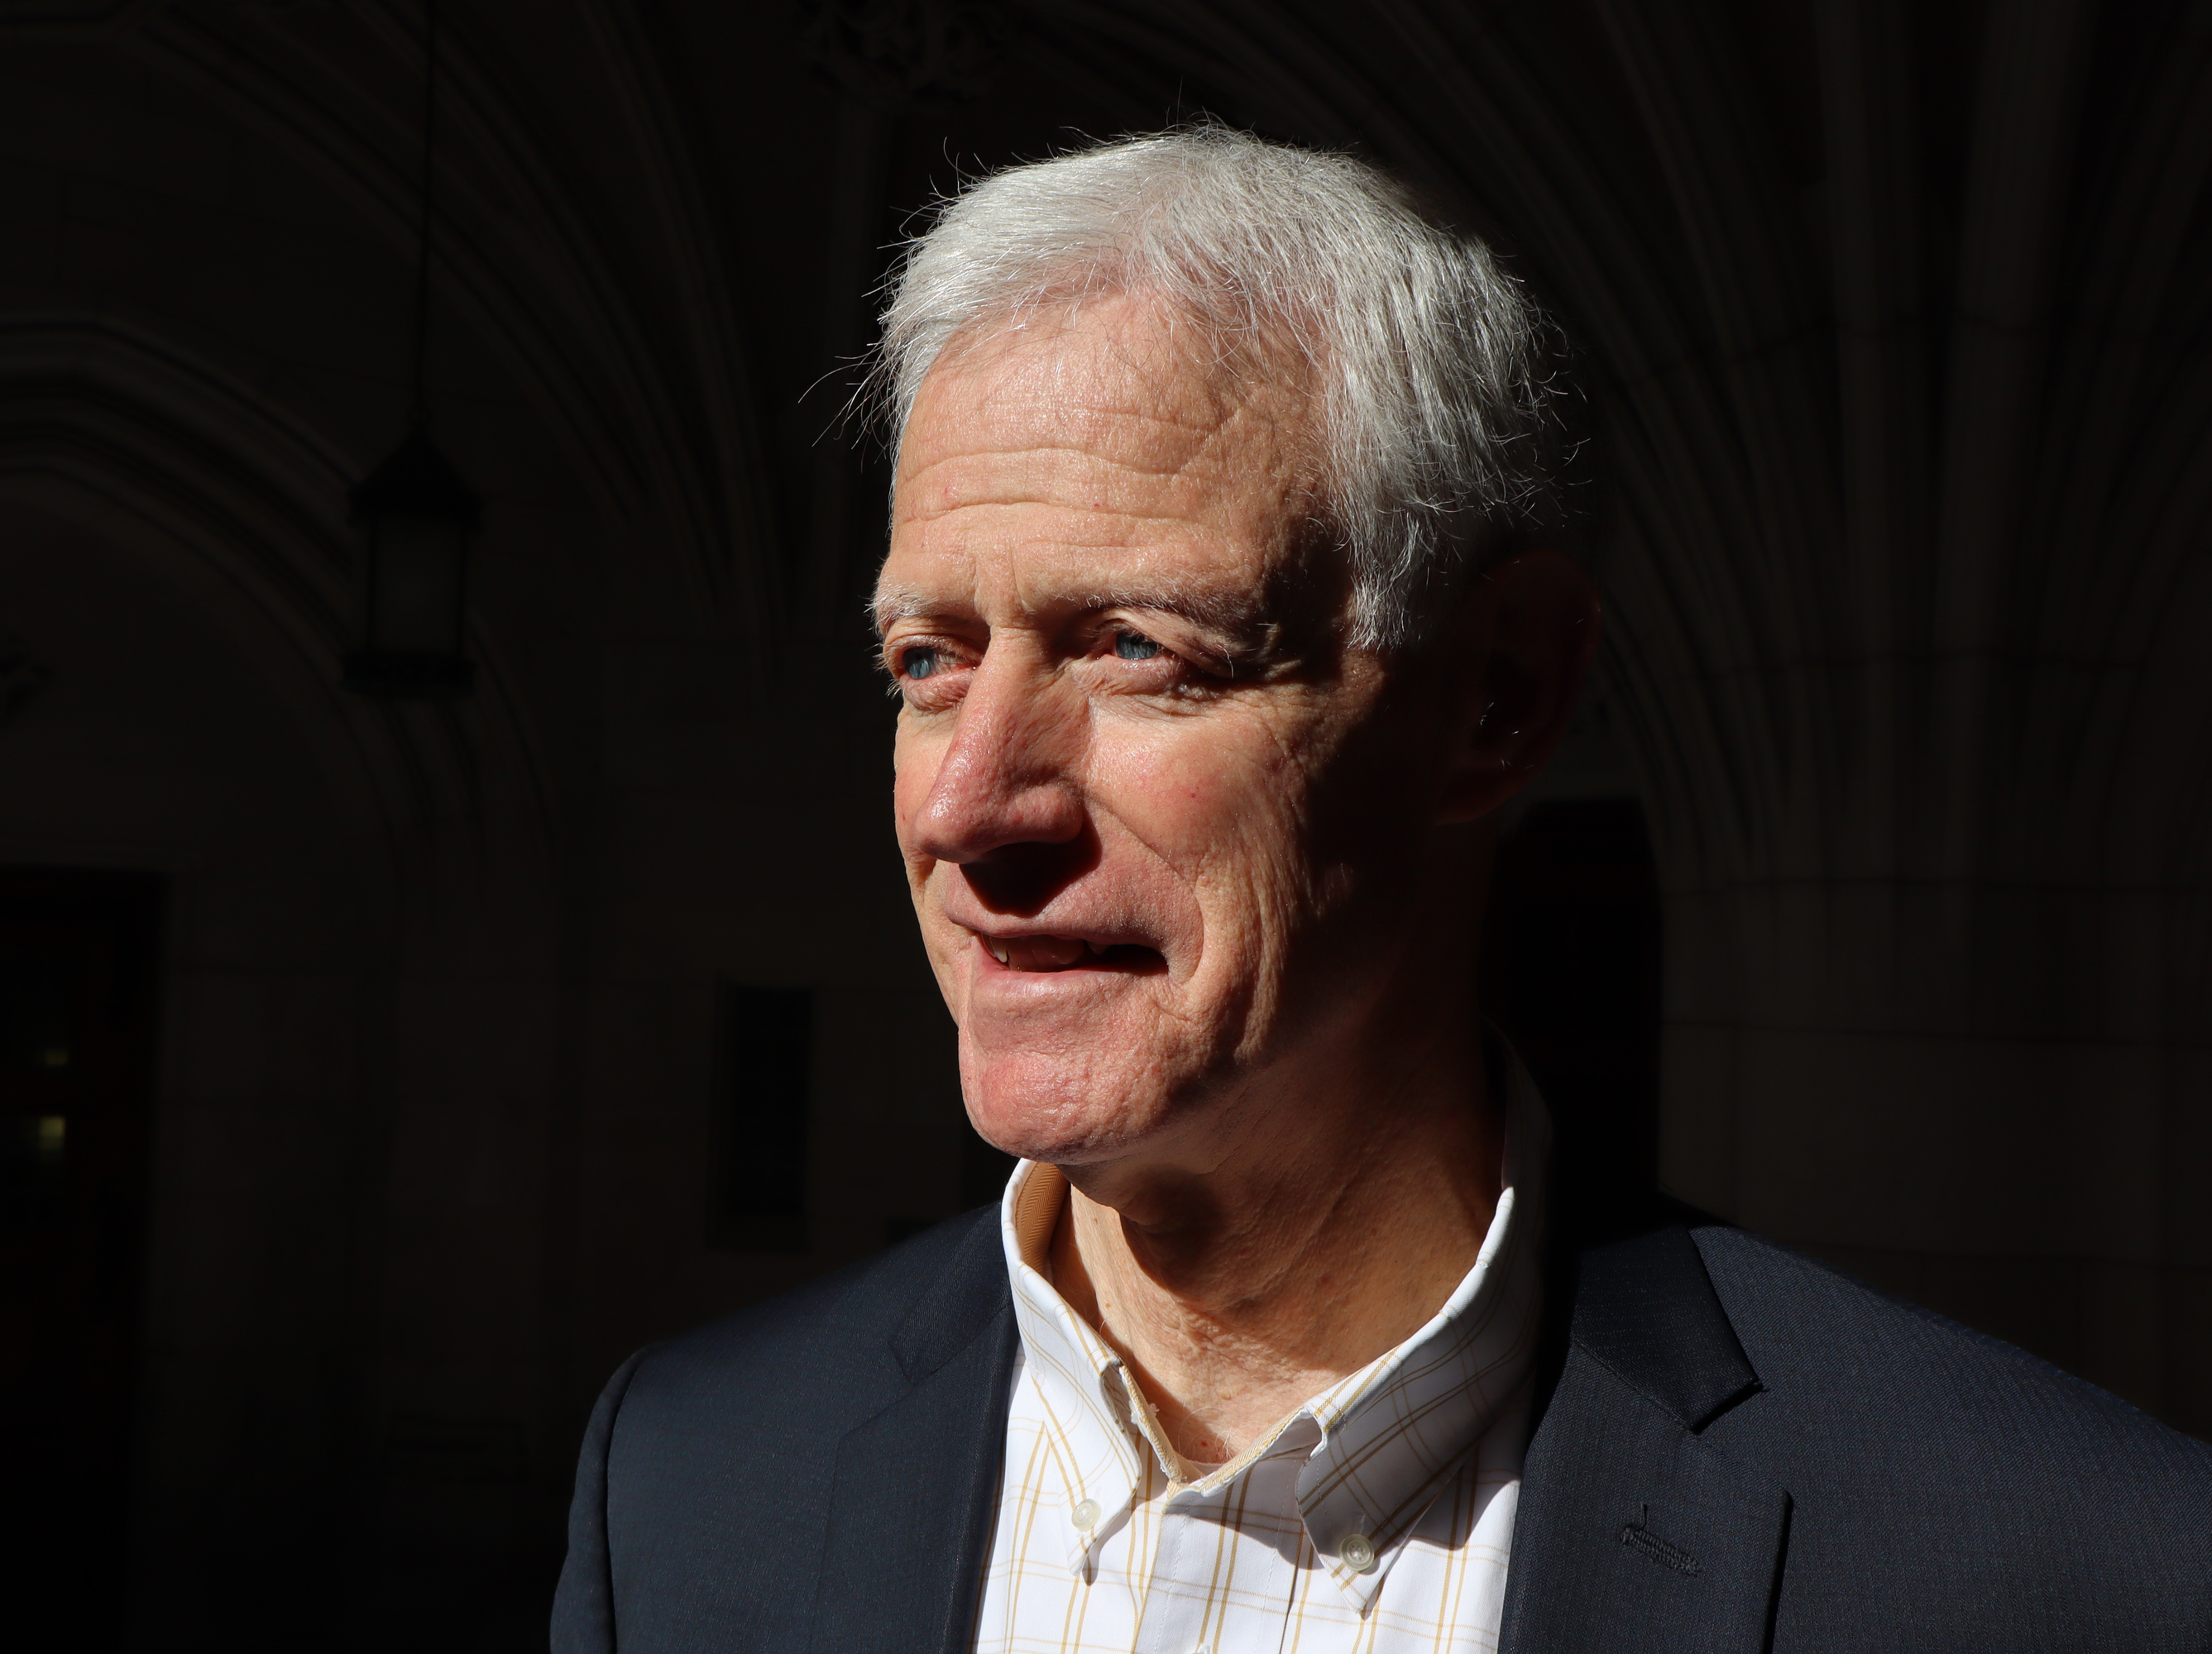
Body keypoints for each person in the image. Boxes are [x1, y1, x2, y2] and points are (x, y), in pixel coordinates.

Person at [551, 127, 2212, 1652]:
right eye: (929, 660)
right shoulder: (690, 1484)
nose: (974, 803)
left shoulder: (2059, 1569)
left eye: (1136, 649)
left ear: (1498, 692)